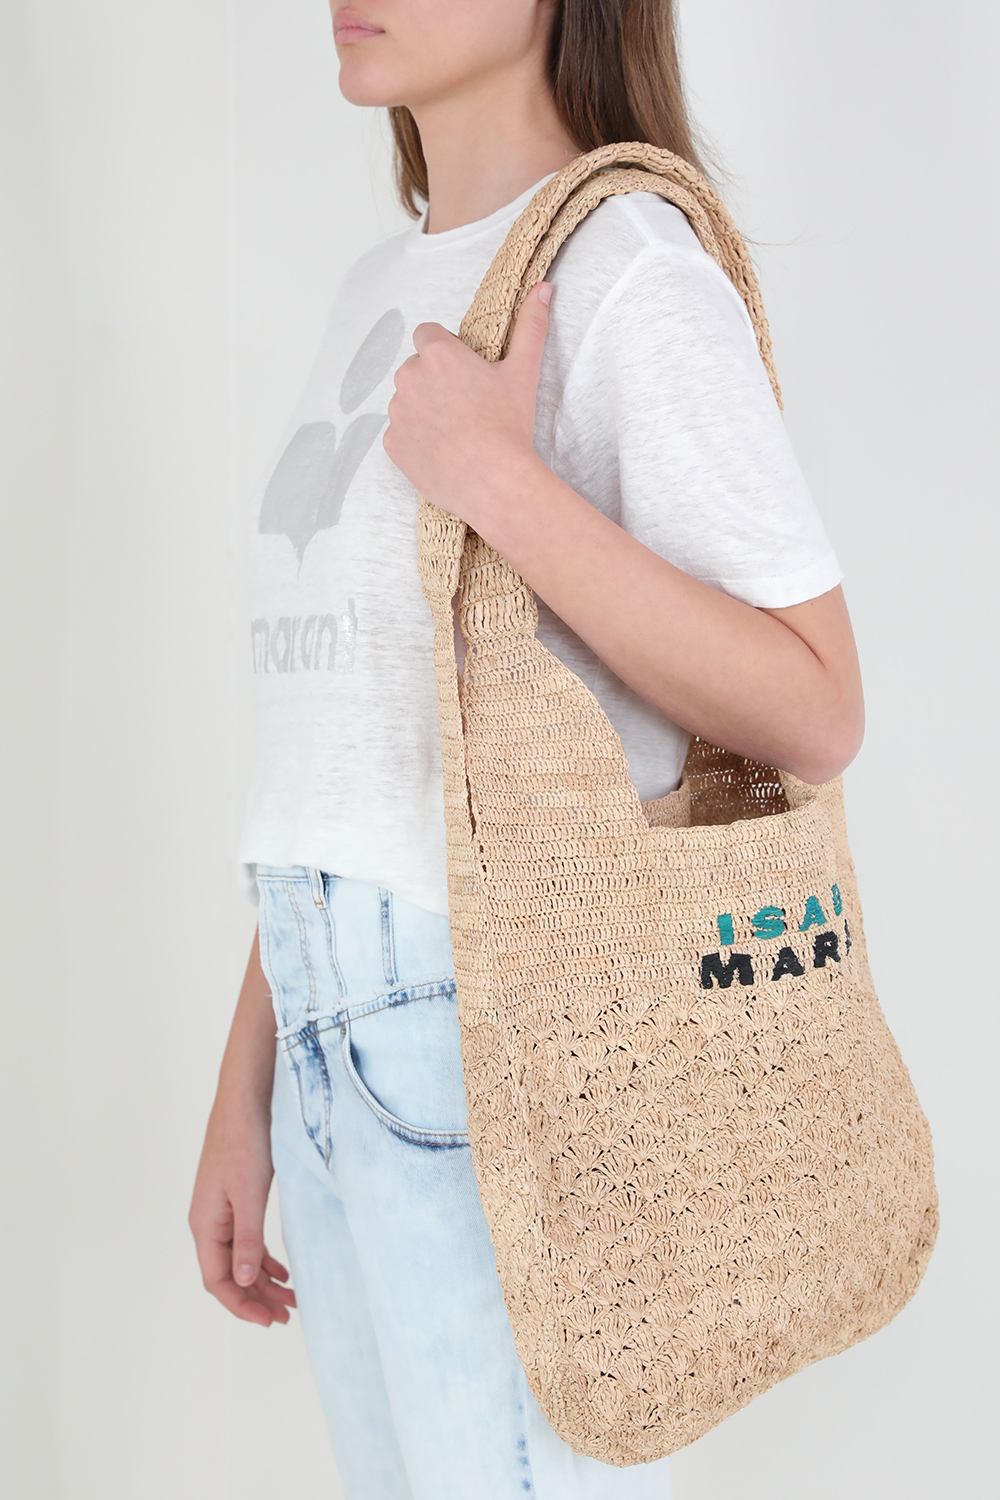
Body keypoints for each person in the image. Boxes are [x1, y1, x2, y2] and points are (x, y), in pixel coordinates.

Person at [189, 2, 864, 1495]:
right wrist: (252, 1091)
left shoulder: (626, 268)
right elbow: (353, 759)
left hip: (504, 1038)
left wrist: (500, 481)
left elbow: (817, 705)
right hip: (333, 1043)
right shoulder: (379, 285)